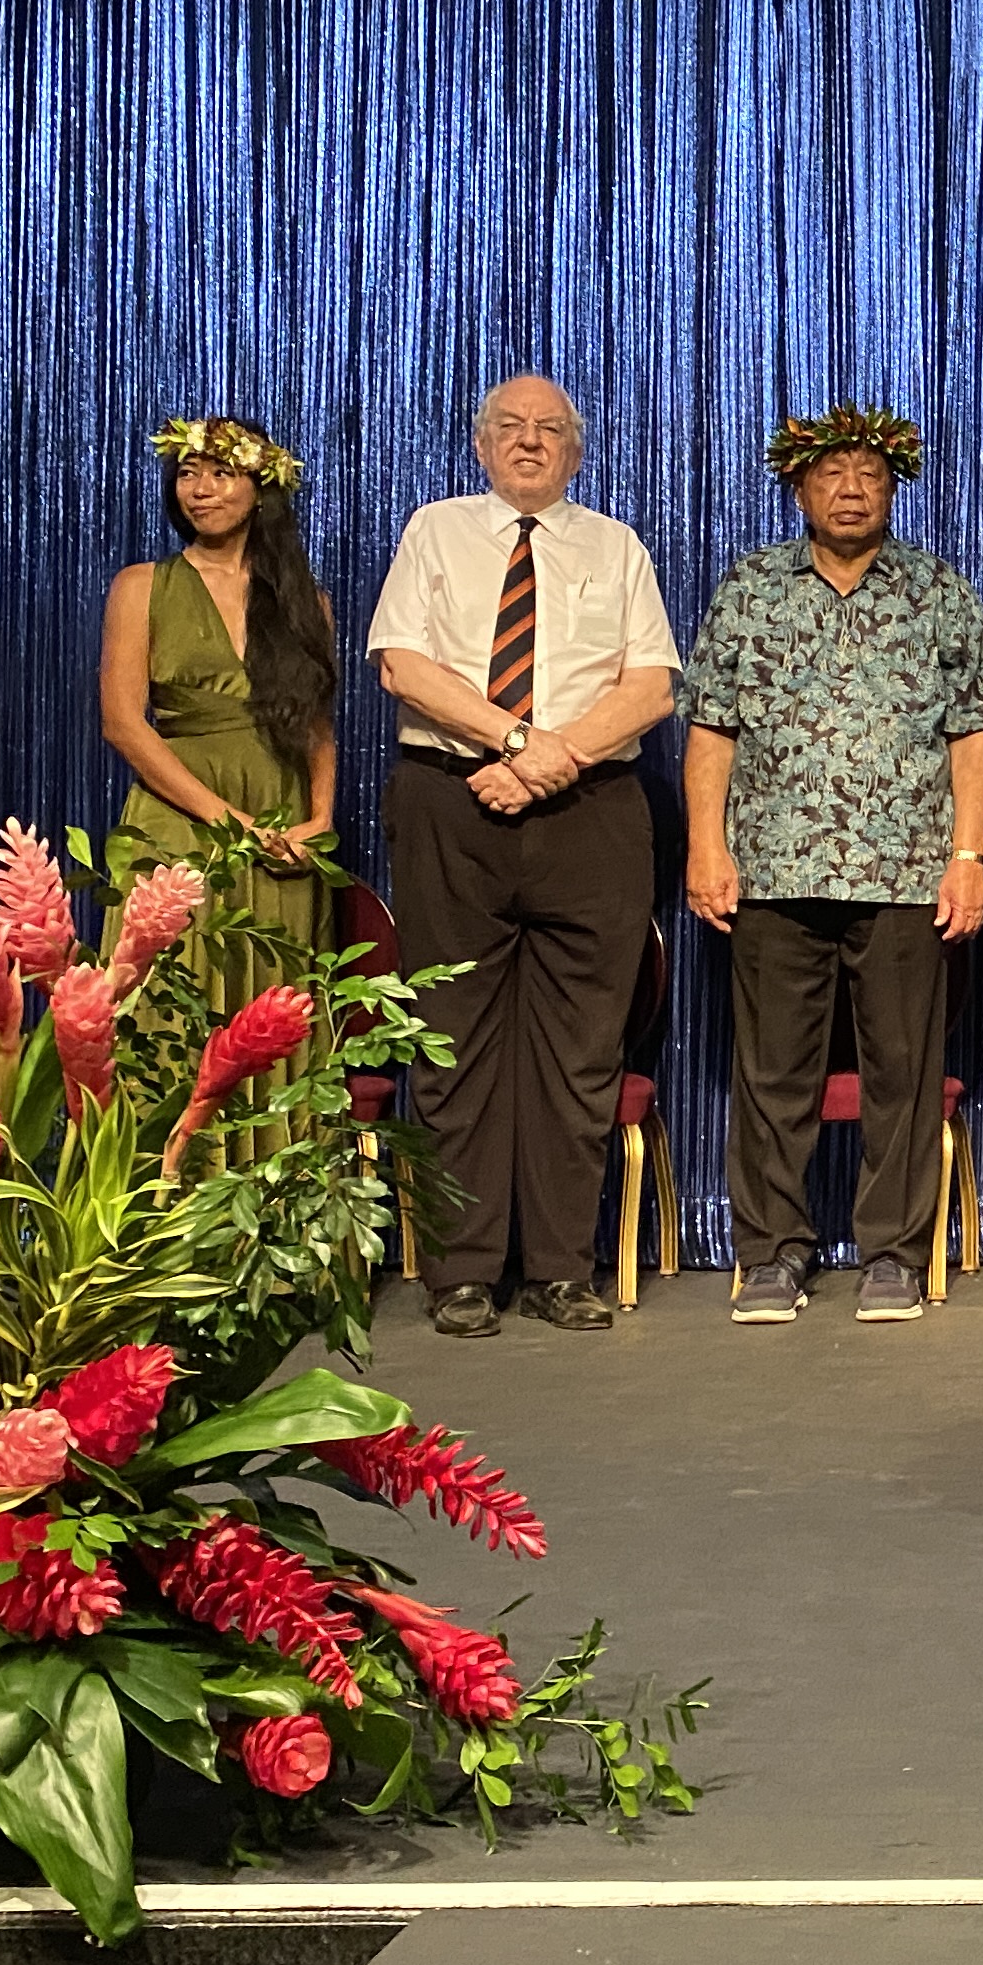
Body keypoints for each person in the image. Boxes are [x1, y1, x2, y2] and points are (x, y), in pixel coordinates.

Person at [364, 374, 680, 1340]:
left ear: (576, 452)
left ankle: (559, 1268)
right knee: (453, 1042)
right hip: (453, 802)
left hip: (590, 810)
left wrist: (555, 759)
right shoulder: (436, 531)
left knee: (581, 1050)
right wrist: (513, 744)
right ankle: (461, 1271)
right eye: (511, 428)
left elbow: (653, 684)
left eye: (550, 431)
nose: (530, 443)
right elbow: (401, 663)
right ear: (481, 445)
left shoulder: (615, 544)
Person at [684, 403, 983, 1327]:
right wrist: (709, 846)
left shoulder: (939, 590)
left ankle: (894, 1255)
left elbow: (972, 733)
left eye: (870, 473)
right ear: (800, 487)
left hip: (906, 871)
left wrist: (968, 857)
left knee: (902, 1073)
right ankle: (772, 1253)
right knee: (772, 1071)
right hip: (775, 870)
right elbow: (712, 727)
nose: (852, 488)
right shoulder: (750, 589)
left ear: (895, 486)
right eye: (832, 474)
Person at [102, 417, 338, 958]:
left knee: (272, 990)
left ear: (261, 491)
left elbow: (317, 725)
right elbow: (122, 723)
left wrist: (320, 818)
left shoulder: (305, 603)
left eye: (222, 473)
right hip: (180, 812)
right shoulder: (141, 587)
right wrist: (232, 824)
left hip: (283, 822)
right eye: (188, 473)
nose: (201, 490)